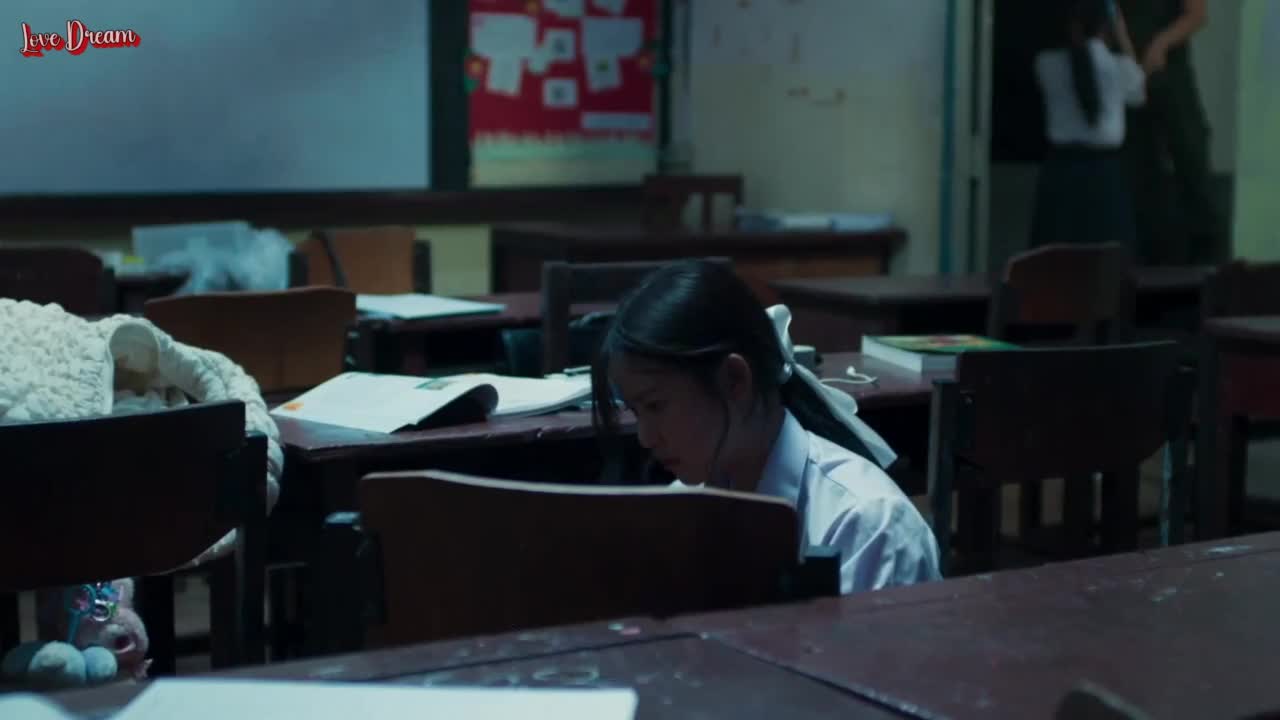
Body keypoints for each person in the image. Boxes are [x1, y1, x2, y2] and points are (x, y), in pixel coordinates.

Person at [589, 260, 941, 594]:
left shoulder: (867, 524)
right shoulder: (683, 504)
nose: (645, 438)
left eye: (656, 406)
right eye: (637, 411)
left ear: (734, 380)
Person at [1030, 0, 1146, 250]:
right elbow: (1139, 94)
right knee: (1107, 260)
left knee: (1055, 259)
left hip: (1060, 172)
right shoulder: (1120, 68)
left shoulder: (1046, 64)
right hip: (1105, 175)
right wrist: (1123, 38)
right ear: (1107, 26)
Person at [1119, 0, 1219, 265]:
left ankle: (1205, 255)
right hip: (1127, 76)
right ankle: (1150, 256)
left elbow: (1196, 16)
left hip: (1170, 71)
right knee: (1140, 168)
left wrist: (1161, 43)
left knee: (1190, 155)